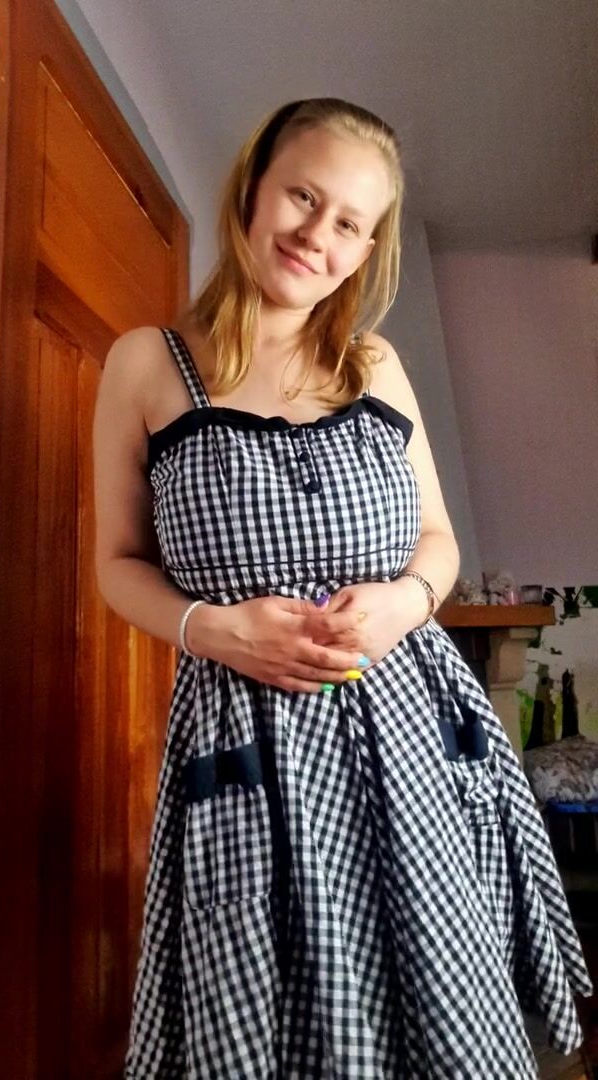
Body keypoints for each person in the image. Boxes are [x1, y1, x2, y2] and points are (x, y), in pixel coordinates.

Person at [93, 99, 590, 1079]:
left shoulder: (375, 366)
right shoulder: (146, 364)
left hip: (409, 732)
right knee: (269, 1015)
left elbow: (437, 542)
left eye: (350, 222)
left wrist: (404, 604)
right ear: (252, 189)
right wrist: (213, 630)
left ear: (367, 249)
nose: (317, 234)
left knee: (441, 1004)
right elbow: (115, 562)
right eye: (303, 196)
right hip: (246, 739)